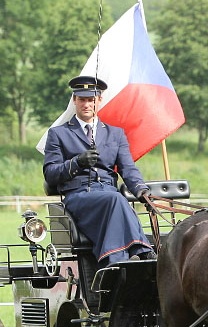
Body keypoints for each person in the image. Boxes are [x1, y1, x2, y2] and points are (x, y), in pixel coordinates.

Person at [43, 75, 155, 266]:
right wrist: (77, 162)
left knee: (115, 199)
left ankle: (115, 262)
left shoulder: (115, 133)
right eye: (82, 99)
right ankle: (141, 250)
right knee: (117, 199)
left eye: (91, 100)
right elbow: (50, 174)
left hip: (109, 195)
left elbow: (128, 168)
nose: (87, 104)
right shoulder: (58, 134)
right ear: (74, 100)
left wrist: (141, 190)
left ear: (99, 100)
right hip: (79, 197)